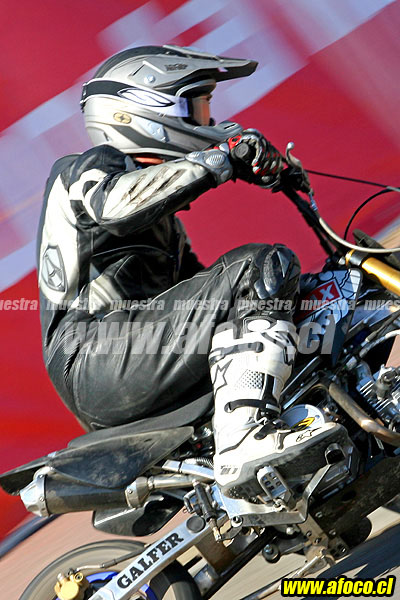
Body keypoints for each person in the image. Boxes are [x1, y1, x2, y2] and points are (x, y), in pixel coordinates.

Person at [37, 45, 328, 497]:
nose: (208, 121)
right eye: (197, 106)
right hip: (93, 358)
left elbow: (216, 300)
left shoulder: (164, 225)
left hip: (135, 349)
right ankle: (245, 443)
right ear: (142, 113)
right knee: (260, 264)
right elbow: (116, 206)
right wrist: (222, 157)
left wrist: (296, 295)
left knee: (287, 292)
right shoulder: (85, 170)